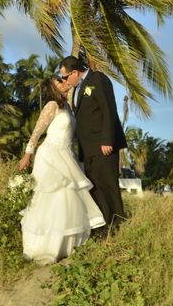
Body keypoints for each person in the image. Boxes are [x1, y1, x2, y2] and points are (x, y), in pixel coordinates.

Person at [18, 78, 105, 264]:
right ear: (53, 88)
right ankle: (45, 246)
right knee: (51, 199)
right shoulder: (51, 105)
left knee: (68, 201)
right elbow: (37, 131)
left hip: (67, 156)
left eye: (62, 78)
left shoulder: (68, 107)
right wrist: (28, 154)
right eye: (59, 81)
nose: (63, 81)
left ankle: (65, 245)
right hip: (49, 156)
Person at [58, 55, 127, 232]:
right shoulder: (80, 88)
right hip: (88, 149)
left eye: (65, 77)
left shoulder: (98, 79)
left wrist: (107, 139)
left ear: (74, 72)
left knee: (108, 186)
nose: (64, 81)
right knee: (96, 188)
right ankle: (103, 228)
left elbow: (108, 109)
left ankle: (118, 225)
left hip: (103, 145)